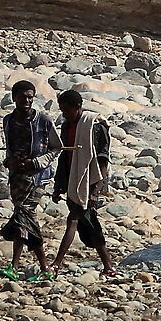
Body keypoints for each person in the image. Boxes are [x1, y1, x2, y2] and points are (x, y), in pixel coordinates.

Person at [52, 87, 117, 276]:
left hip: (90, 180)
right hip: (73, 178)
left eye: (67, 110)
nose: (64, 115)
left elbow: (103, 158)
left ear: (78, 107)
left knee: (73, 219)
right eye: (62, 110)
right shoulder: (66, 126)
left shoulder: (95, 126)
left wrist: (97, 190)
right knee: (89, 223)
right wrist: (59, 186)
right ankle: (108, 266)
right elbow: (64, 156)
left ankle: (57, 263)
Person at [0, 79, 58, 278]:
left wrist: (36, 163)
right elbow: (9, 146)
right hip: (16, 177)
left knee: (24, 214)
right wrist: (8, 161)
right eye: (23, 96)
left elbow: (56, 148)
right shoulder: (8, 120)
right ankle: (42, 269)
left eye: (30, 97)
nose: (27, 100)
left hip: (37, 177)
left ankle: (21, 267)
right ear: (13, 97)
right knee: (23, 220)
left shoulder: (43, 120)